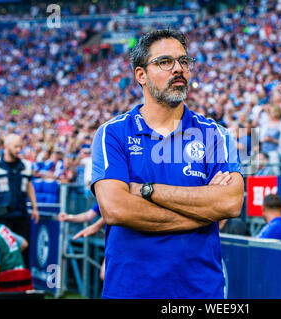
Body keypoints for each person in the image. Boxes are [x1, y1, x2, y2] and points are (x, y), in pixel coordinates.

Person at [90, 29, 244, 299]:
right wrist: (202, 213)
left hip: (199, 292)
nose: (178, 69)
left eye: (184, 61)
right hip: (130, 290)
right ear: (141, 75)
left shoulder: (215, 134)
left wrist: (147, 191)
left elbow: (230, 203)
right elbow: (116, 209)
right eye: (165, 62)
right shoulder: (113, 133)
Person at [0, 134, 39, 268]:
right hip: (1, 216)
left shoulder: (26, 165)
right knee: (1, 249)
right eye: (16, 146)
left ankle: (22, 281)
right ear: (6, 147)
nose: (19, 149)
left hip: (21, 215)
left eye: (20, 146)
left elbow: (29, 186)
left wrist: (35, 207)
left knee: (24, 249)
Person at [58, 202, 106, 280]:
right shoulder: (104, 197)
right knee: (104, 275)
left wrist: (96, 226)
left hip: (121, 241)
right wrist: (69, 217)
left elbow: (113, 213)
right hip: (110, 243)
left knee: (106, 275)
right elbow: (88, 215)